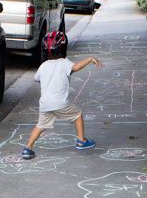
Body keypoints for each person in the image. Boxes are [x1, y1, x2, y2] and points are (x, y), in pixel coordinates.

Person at [21, 30, 102, 160]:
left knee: (40, 126)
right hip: (60, 103)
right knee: (77, 114)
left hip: (45, 104)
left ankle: (28, 148)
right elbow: (75, 67)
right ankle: (81, 141)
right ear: (63, 49)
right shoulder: (65, 63)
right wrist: (89, 59)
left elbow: (36, 78)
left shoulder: (43, 65)